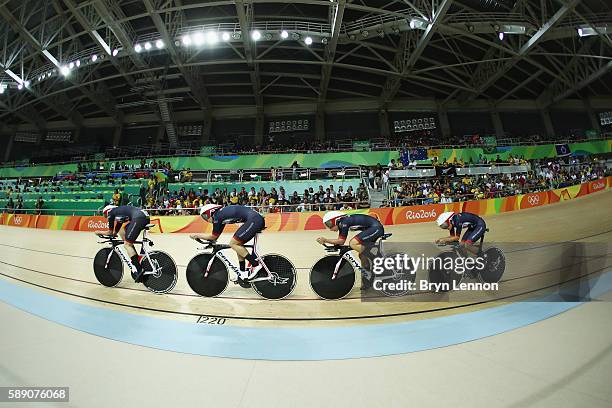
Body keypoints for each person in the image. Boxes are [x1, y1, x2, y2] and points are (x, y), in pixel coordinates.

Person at [190, 204, 265, 281]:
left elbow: (213, 236)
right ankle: (242, 273)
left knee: (233, 244)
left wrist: (196, 235)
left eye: (205, 216)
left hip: (254, 220)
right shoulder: (220, 215)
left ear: (211, 211)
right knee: (238, 245)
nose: (206, 219)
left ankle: (256, 265)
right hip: (255, 219)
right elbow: (216, 236)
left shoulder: (217, 217)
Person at [317, 211, 384, 288]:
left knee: (353, 243)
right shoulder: (342, 223)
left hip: (376, 228)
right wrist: (332, 244)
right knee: (362, 256)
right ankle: (367, 280)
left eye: (329, 224)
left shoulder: (344, 222)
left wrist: (325, 240)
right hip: (373, 228)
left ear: (334, 220)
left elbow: (341, 241)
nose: (329, 228)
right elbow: (340, 241)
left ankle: (376, 258)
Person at [95, 204, 150, 282]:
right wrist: (115, 233)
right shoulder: (119, 211)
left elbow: (109, 232)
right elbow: (118, 225)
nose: (106, 217)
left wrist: (98, 232)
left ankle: (139, 269)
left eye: (105, 215)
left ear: (107, 211)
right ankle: (135, 258)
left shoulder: (111, 212)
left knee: (127, 245)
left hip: (138, 218)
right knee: (123, 231)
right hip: (144, 216)